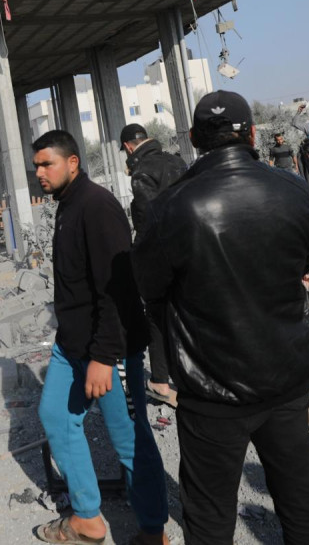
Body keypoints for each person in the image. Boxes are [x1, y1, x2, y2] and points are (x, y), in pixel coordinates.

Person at [133, 91, 309, 544]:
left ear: (194, 139)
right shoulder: (293, 188)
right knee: (301, 501)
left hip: (211, 386)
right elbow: (305, 262)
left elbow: (150, 288)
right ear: (253, 134)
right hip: (286, 376)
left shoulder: (172, 206)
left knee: (209, 516)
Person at [30, 129, 168, 545]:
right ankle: (87, 516)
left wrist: (106, 356)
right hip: (71, 343)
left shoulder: (97, 206)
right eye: (36, 165)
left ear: (72, 162)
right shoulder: (67, 205)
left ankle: (153, 529)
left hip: (111, 347)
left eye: (47, 164)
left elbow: (118, 288)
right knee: (55, 416)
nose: (40, 173)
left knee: (129, 437)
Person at [121, 123, 188, 408]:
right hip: (192, 248)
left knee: (157, 315)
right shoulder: (177, 161)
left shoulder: (143, 171)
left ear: (127, 146)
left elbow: (149, 221)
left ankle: (160, 380)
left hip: (162, 255)